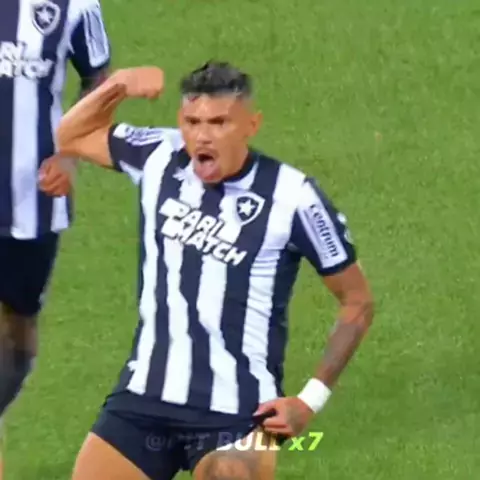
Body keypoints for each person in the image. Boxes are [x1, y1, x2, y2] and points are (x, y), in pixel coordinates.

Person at [43, 61, 374, 480]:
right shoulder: (159, 155)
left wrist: (309, 400)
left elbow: (357, 301)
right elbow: (69, 135)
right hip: (144, 398)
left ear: (251, 125)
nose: (202, 135)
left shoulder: (292, 196)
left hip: (238, 413)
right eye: (192, 122)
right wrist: (119, 85)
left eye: (219, 122)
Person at [0, 0, 111, 476]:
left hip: (33, 199)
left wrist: (69, 154)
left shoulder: (76, 6)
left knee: (19, 326)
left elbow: (99, 82)